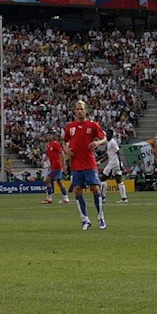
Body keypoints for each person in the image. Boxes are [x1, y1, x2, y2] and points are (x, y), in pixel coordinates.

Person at [63, 99, 107, 230]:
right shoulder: (70, 127)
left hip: (89, 163)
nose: (79, 111)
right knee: (77, 190)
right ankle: (85, 220)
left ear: (86, 110)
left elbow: (104, 138)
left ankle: (100, 217)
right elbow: (64, 141)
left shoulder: (93, 125)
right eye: (77, 109)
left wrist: (98, 143)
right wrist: (65, 150)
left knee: (95, 188)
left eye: (81, 109)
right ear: (74, 111)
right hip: (76, 164)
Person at [102, 130, 129, 204]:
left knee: (103, 177)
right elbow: (108, 155)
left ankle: (103, 198)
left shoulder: (113, 142)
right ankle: (124, 198)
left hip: (113, 163)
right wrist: (99, 161)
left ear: (111, 135)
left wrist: (120, 164)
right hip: (114, 163)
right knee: (118, 179)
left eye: (108, 134)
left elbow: (118, 153)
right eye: (106, 134)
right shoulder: (108, 142)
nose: (106, 136)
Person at [42, 135, 65, 204]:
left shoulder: (55, 144)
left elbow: (62, 153)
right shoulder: (48, 147)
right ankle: (66, 198)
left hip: (56, 166)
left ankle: (49, 198)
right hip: (54, 166)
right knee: (59, 182)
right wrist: (43, 161)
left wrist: (63, 164)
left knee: (47, 180)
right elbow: (46, 157)